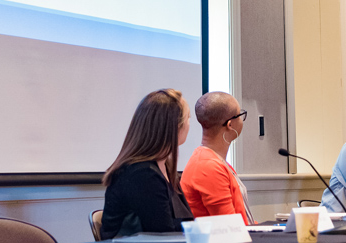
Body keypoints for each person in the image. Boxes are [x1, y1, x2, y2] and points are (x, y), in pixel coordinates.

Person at [100, 89, 193, 239]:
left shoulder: (165, 167)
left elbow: (186, 226)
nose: (190, 124)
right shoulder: (143, 175)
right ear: (175, 127)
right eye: (189, 118)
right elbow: (165, 235)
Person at [181, 92, 255, 225]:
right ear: (230, 125)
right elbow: (230, 227)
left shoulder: (214, 160)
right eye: (240, 115)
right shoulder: (208, 166)